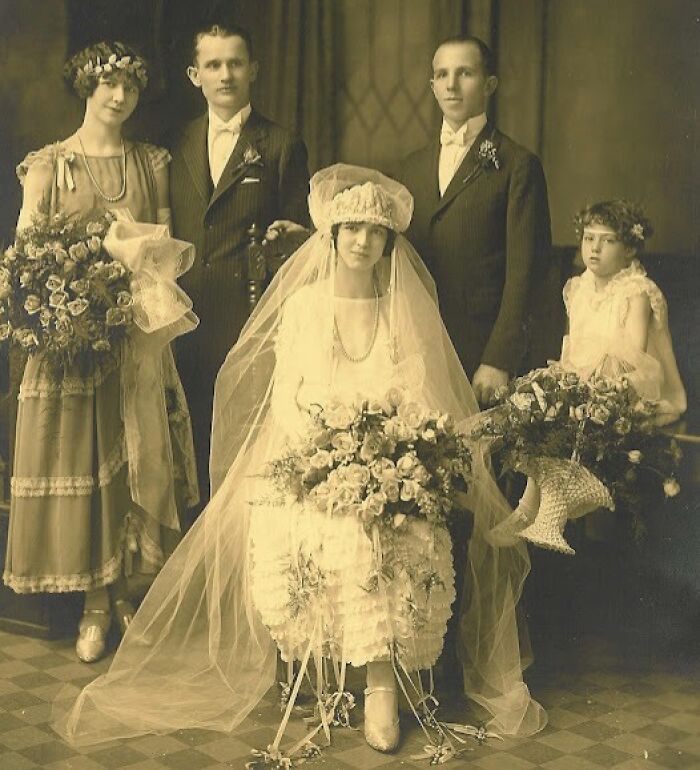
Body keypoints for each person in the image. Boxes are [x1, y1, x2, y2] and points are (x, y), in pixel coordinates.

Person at [53, 166, 546, 760]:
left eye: (374, 231)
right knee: (326, 520)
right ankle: (333, 673)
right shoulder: (307, 305)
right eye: (350, 229)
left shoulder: (401, 310)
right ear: (330, 236)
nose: (362, 241)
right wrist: (332, 451)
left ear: (389, 241)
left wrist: (392, 446)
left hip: (388, 458)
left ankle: (381, 686)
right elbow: (291, 395)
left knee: (400, 518)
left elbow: (417, 394)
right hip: (312, 451)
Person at [3, 41, 199, 664]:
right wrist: (76, 299)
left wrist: (141, 281)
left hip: (135, 336)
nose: (118, 97)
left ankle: (124, 592)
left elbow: (165, 249)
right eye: (106, 85)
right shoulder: (49, 164)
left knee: (136, 461)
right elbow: (28, 260)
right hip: (75, 344)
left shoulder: (150, 162)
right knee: (88, 465)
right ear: (86, 89)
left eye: (130, 87)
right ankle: (93, 599)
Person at [170, 21, 310, 504]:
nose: (225, 74)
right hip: (185, 321)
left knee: (245, 455)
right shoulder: (178, 144)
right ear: (195, 75)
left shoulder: (280, 145)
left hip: (249, 323)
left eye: (235, 63)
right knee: (191, 449)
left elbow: (299, 244)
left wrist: (288, 239)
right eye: (213, 65)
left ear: (254, 69)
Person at [400, 35, 552, 406]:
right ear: (432, 86)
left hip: (481, 351)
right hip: (419, 346)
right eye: (442, 74)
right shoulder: (410, 167)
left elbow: (526, 273)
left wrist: (498, 358)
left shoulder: (517, 165)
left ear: (489, 85)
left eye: (464, 73)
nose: (451, 85)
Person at [561, 200, 686, 423]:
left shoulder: (636, 291)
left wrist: (598, 382)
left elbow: (633, 356)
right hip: (585, 381)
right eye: (589, 238)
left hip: (628, 382)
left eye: (607, 240)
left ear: (629, 249)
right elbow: (574, 345)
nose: (595, 248)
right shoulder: (579, 288)